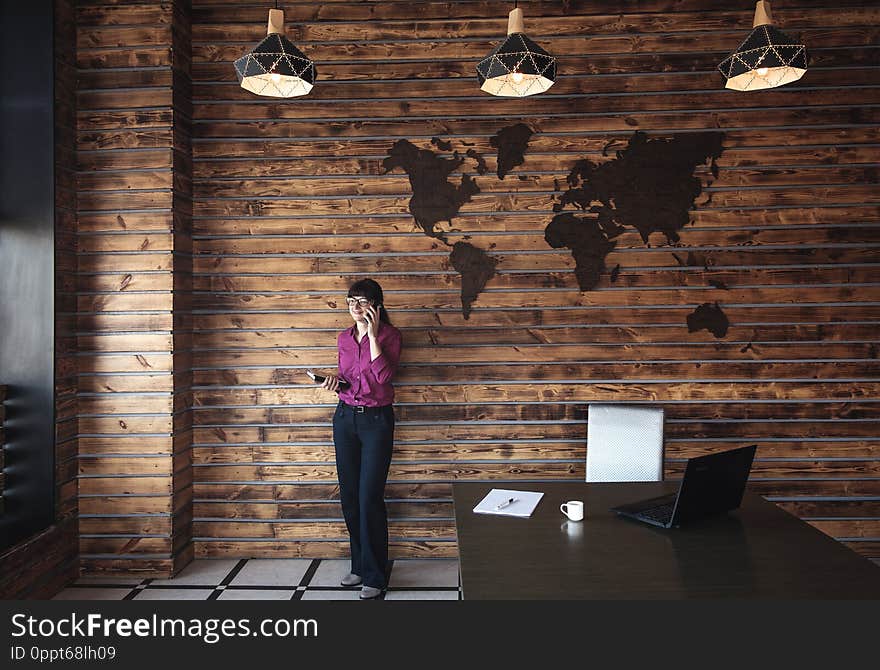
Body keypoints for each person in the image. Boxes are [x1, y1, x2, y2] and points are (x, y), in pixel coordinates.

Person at [320, 279, 403, 599]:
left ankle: (376, 576)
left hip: (377, 422)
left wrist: (372, 335)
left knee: (369, 498)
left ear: (377, 306)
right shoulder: (343, 337)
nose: (355, 307)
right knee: (350, 498)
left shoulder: (390, 336)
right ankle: (360, 565)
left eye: (362, 301)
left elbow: (384, 376)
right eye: (350, 300)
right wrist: (333, 382)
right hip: (345, 419)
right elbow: (349, 380)